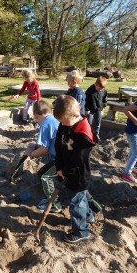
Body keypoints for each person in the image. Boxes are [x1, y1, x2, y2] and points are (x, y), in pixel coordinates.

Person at [53, 95, 98, 243]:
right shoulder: (66, 122)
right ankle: (88, 216)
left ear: (76, 115)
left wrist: (65, 172)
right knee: (81, 197)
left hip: (77, 174)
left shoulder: (83, 135)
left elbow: (78, 160)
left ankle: (81, 231)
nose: (63, 125)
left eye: (65, 122)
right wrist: (59, 165)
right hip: (66, 166)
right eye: (61, 123)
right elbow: (59, 144)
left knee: (76, 202)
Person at [85, 76, 108, 140]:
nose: (99, 90)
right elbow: (85, 100)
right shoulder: (89, 91)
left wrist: (102, 107)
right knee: (89, 123)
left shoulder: (104, 91)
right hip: (90, 110)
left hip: (98, 110)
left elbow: (104, 100)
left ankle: (96, 135)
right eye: (98, 88)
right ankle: (88, 135)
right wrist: (86, 109)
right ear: (95, 84)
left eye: (101, 89)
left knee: (98, 123)